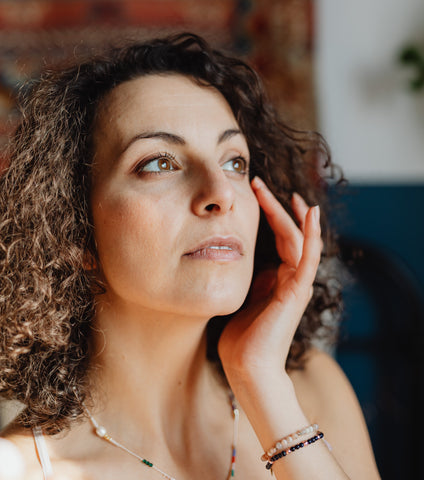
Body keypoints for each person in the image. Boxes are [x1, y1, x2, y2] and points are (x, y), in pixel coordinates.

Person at [0, 32, 380, 479]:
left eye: (234, 161)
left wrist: (260, 381)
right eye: (159, 163)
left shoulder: (311, 390)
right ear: (73, 229)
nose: (221, 193)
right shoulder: (24, 468)